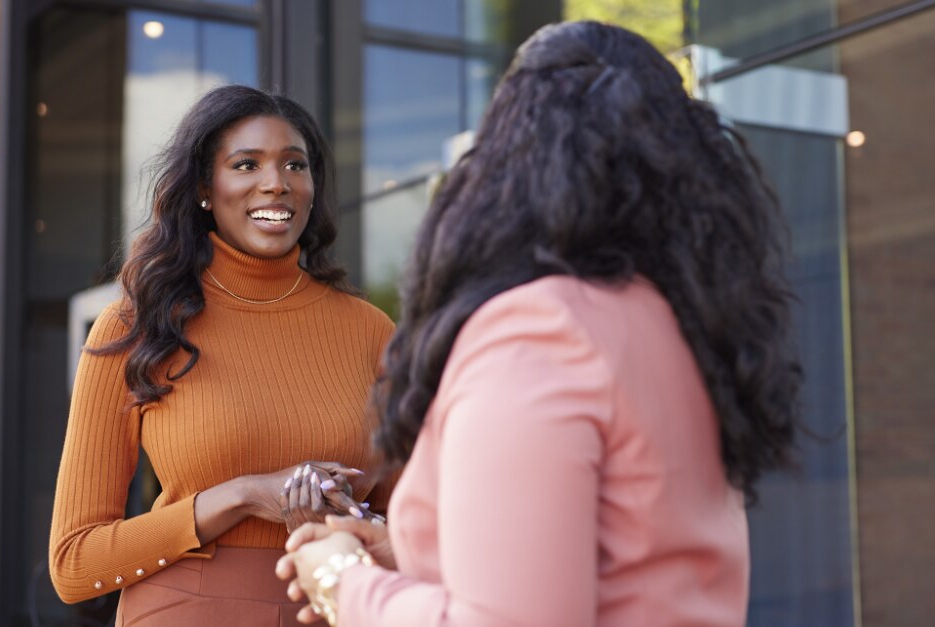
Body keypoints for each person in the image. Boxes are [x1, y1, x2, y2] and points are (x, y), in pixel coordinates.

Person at [276, 21, 803, 627]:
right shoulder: (679, 327)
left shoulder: (536, 332)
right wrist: (411, 557)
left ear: (508, 169)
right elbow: (627, 553)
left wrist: (344, 584)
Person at [49, 85, 392, 626]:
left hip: (335, 608)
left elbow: (412, 531)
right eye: (246, 164)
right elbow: (75, 564)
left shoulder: (371, 331)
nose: (276, 183)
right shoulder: (138, 325)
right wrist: (244, 496)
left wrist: (345, 517)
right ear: (205, 189)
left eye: (295, 164)